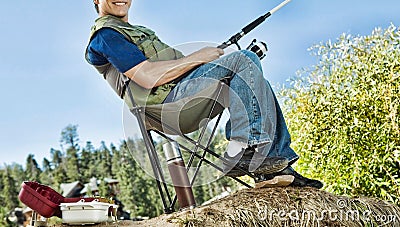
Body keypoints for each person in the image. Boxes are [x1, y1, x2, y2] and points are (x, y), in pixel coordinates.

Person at [85, 0, 323, 188]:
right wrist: (198, 57)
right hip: (166, 107)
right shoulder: (106, 35)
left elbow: (179, 72)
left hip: (182, 94)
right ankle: (244, 151)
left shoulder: (137, 30)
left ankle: (275, 165)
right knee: (243, 59)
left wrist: (205, 64)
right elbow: (146, 77)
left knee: (256, 79)